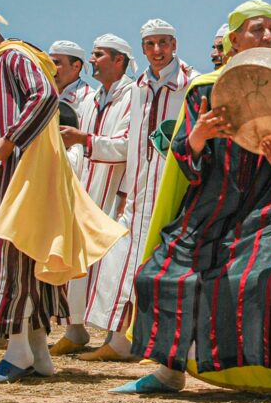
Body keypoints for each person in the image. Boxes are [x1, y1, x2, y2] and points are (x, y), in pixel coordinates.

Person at [112, 0, 271, 400]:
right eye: (257, 29)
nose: (267, 35)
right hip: (208, 211)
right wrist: (199, 137)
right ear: (234, 39)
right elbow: (184, 162)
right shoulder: (204, 90)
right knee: (160, 274)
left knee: (257, 277)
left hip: (266, 213)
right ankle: (169, 372)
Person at [0, 0, 124, 383]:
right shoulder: (13, 56)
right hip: (33, 169)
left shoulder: (11, 56)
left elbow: (44, 97)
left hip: (25, 172)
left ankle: (17, 353)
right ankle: (39, 351)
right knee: (30, 254)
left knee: (12, 253)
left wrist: (10, 138)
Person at [55, 19, 196, 361]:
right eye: (150, 44)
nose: (157, 50)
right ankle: (118, 341)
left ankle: (163, 345)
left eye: (163, 43)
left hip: (173, 190)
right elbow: (135, 145)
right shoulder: (139, 88)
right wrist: (127, 189)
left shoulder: (191, 84)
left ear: (174, 45)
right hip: (136, 193)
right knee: (121, 265)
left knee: (167, 270)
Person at [53, 35, 136, 356]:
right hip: (87, 191)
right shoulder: (92, 99)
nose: (92, 61)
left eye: (98, 55)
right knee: (77, 262)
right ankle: (75, 331)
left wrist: (84, 140)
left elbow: (127, 146)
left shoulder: (134, 95)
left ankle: (119, 340)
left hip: (117, 193)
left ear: (118, 60)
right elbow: (77, 148)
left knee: (116, 267)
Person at [48, 40, 94, 109]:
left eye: (56, 63)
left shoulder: (89, 99)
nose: (51, 68)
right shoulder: (44, 94)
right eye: (49, 64)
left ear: (76, 66)